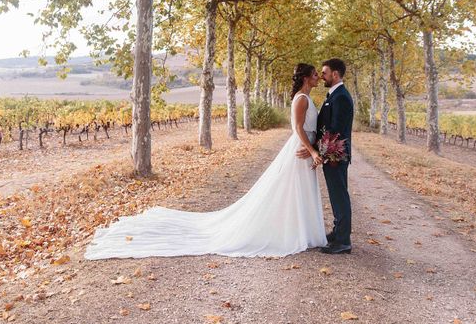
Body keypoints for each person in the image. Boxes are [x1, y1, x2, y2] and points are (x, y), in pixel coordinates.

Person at [85, 63, 327, 259]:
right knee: (291, 189)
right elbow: (296, 127)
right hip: (299, 149)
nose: (318, 77)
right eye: (315, 74)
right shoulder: (301, 99)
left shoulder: (305, 97)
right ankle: (295, 233)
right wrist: (312, 150)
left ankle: (300, 231)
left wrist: (314, 147)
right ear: (306, 77)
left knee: (295, 191)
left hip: (303, 148)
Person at [297, 58, 354, 254]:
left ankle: (343, 241)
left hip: (336, 156)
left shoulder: (341, 97)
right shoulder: (333, 96)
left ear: (335, 74)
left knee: (340, 196)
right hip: (330, 155)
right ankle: (338, 232)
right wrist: (314, 147)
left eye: (325, 73)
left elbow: (335, 131)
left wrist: (315, 149)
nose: (322, 76)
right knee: (335, 195)